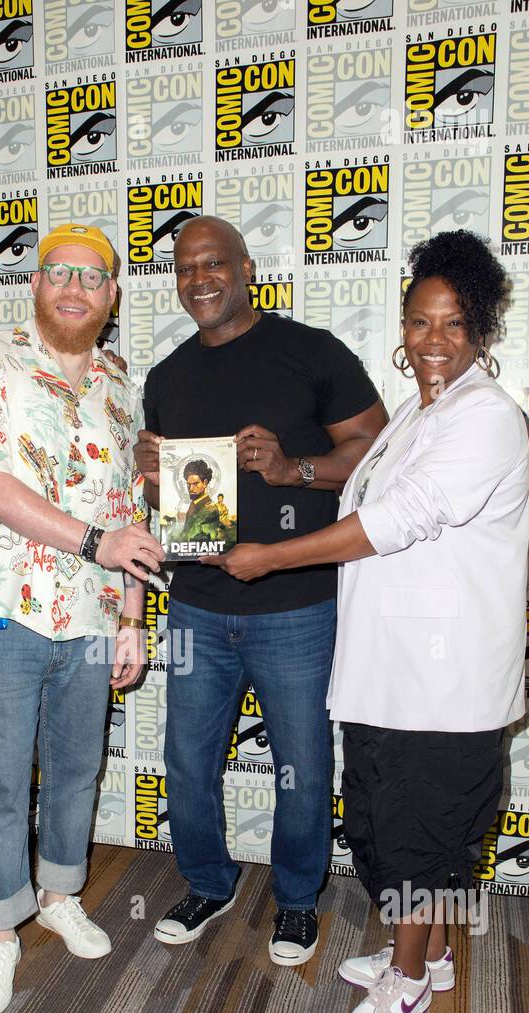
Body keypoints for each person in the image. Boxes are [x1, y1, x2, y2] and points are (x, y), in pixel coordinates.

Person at [205, 229, 529, 1013]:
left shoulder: (486, 418)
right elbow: (361, 477)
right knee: (393, 824)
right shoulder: (421, 414)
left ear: (482, 331)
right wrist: (290, 473)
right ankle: (435, 953)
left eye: (454, 324)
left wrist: (271, 557)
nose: (433, 341)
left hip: (445, 679)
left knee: (427, 832)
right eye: (420, 322)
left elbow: (396, 518)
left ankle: (411, 977)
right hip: (391, 667)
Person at [136, 216, 386, 965]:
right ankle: (209, 884)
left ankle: (299, 900)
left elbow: (375, 454)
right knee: (186, 760)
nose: (199, 279)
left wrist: (292, 469)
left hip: (295, 608)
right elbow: (165, 506)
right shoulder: (167, 376)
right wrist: (149, 479)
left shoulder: (309, 351)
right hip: (195, 606)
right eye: (185, 268)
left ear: (245, 268)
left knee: (303, 766)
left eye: (213, 263)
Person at [0, 222, 165, 1013]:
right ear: (35, 285)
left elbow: (131, 508)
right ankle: (0, 933)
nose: (73, 288)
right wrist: (98, 545)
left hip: (96, 615)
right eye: (58, 273)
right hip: (3, 608)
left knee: (75, 771)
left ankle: (61, 894)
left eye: (90, 277)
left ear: (110, 296)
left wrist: (133, 616)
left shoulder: (118, 382)